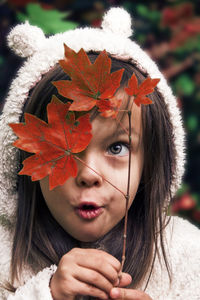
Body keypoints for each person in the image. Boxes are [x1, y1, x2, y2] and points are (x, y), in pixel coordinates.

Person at [0, 7, 199, 300]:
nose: (88, 174)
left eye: (116, 147)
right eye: (64, 149)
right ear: (23, 160)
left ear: (151, 161)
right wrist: (44, 295)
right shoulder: (5, 255)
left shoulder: (187, 255)